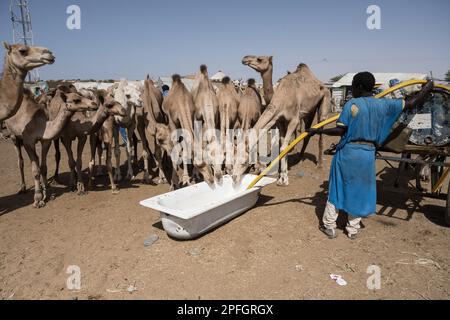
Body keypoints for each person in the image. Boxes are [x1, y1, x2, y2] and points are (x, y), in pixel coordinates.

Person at [307, 72, 433, 240]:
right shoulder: (385, 104)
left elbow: (340, 130)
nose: (351, 89)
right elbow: (413, 102)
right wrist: (428, 88)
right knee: (359, 190)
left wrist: (317, 131)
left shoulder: (352, 104)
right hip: (367, 155)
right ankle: (352, 228)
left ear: (359, 87)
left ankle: (329, 226)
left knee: (337, 188)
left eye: (352, 85)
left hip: (348, 153)